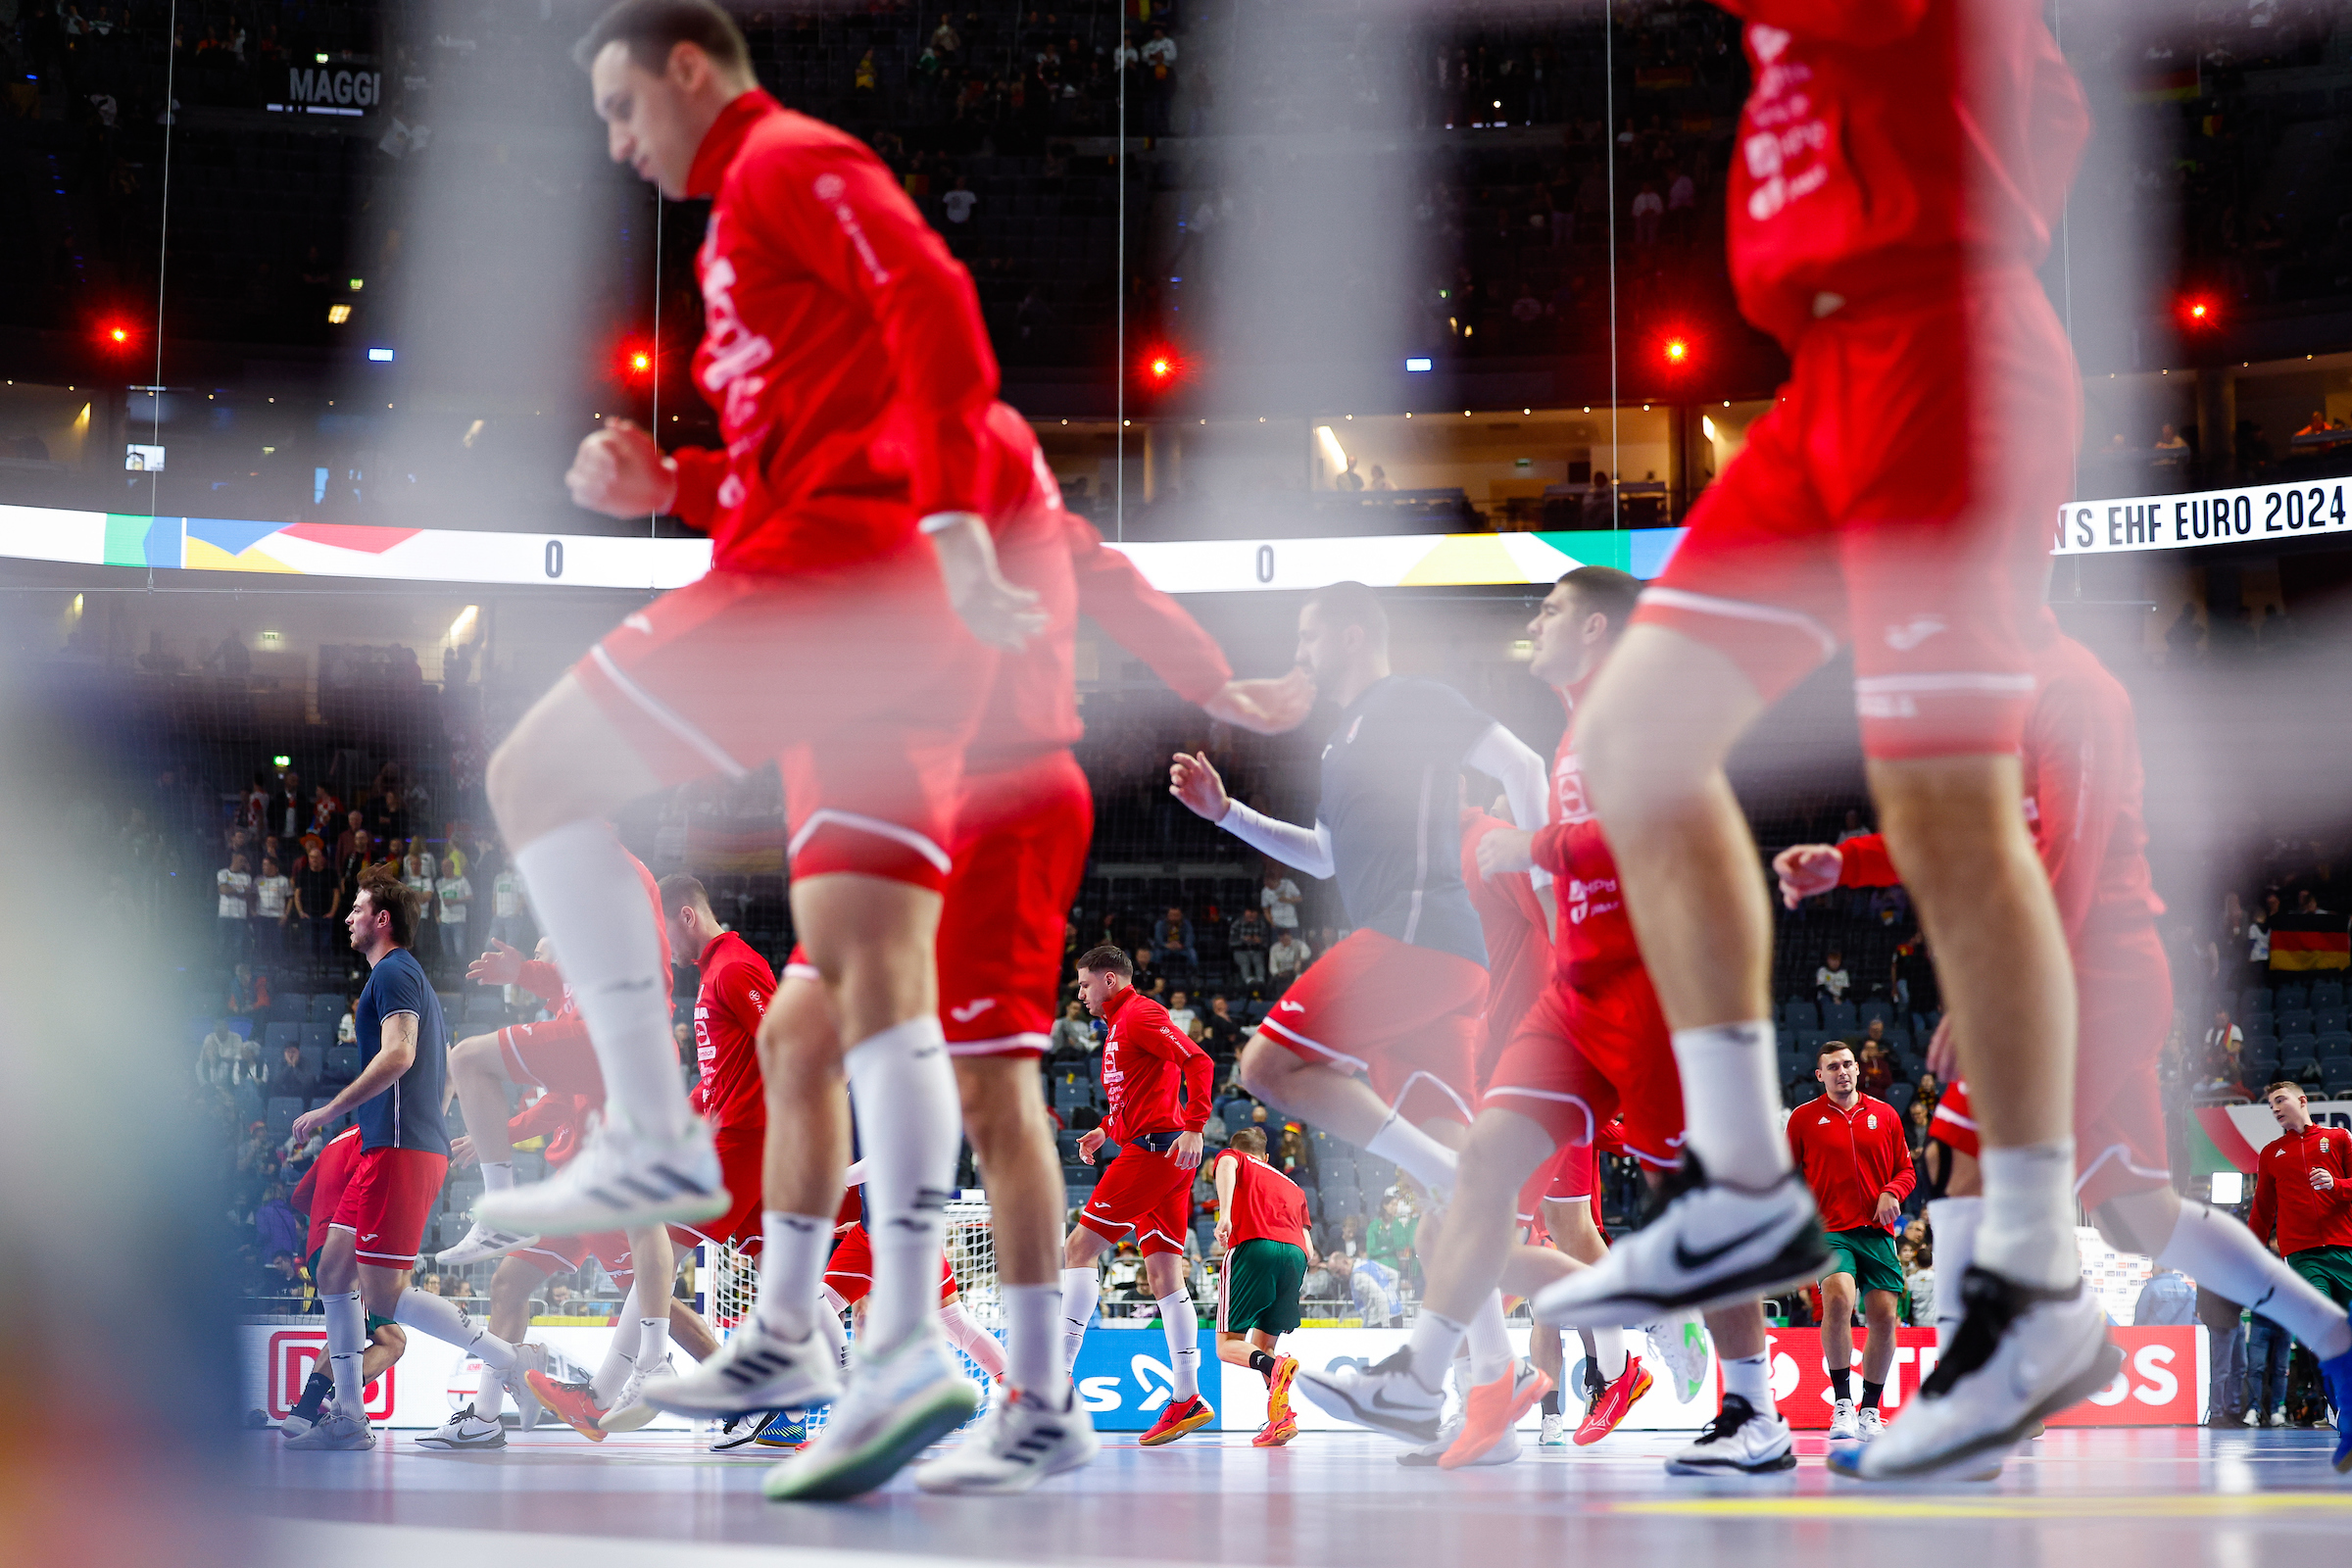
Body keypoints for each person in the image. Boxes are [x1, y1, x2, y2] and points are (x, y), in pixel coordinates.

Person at [473, 0, 1047, 1506]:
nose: (617, 143)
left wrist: (948, 520)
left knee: (533, 776)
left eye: (621, 108)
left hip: (830, 586)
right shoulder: (747, 223)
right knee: (855, 994)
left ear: (687, 69)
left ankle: (650, 1130)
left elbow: (937, 299)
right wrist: (674, 481)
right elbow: (806, 444)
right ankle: (888, 1344)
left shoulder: (784, 163)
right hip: (863, 604)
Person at [1546, 1, 2108, 1484]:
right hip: (1829, 376)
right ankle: (1741, 1185)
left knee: (1947, 812)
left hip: (1949, 349)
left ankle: (2037, 1284)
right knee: (1637, 735)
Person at [640, 403, 1304, 1496]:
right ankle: (849, 1359)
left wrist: (1224, 688)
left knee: (991, 1095)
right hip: (897, 801)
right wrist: (676, 486)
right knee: (799, 1037)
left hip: (1002, 800)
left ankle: (1031, 1398)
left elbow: (1109, 579)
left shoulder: (987, 471)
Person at [1777, 629, 2352, 1476]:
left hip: (2096, 973)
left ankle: (1980, 1399)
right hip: (2068, 978)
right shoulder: (1984, 703)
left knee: (1962, 1152)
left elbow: (2069, 865)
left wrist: (1996, 991)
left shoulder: (2071, 690)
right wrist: (1847, 863)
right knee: (2139, 1214)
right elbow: (1960, 837)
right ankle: (2335, 1338)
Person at [1331, 569, 1729, 1472]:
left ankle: (1563, 1364)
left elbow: (1570, 911)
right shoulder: (1443, 857)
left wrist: (1580, 1021)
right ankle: (1523, 1393)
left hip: (1545, 1051)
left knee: (1464, 1235)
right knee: (1535, 1227)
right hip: (1523, 1060)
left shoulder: (1490, 842)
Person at [1175, 581, 1556, 1459]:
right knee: (1446, 1210)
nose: (1300, 652)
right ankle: (1492, 1390)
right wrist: (1226, 815)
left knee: (1266, 1066)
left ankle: (1465, 1223)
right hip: (1429, 958)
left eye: (1310, 635)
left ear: (1352, 634)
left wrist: (1549, 889)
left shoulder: (1412, 698)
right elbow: (1323, 857)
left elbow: (1525, 768)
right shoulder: (1340, 742)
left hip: (1419, 936)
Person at [283, 866, 517, 1450]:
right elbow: (445, 1068)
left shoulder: (393, 971)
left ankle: (511, 1360)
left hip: (398, 1149)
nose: (348, 918)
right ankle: (348, 1416)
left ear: (381, 919)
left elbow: (400, 1055)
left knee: (384, 1297)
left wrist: (330, 1110)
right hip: (391, 1145)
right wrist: (431, 1122)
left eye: (357, 909)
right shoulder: (406, 978)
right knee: (334, 1273)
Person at [1057, 947, 1217, 1446]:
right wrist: (1104, 1129)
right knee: (1165, 1275)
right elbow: (1138, 1093)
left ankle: (1055, 1382)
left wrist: (1195, 1126)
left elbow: (1199, 1060)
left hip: (1154, 1153)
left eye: (1085, 984)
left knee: (1078, 1248)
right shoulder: (1118, 1025)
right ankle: (1187, 1397)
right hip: (1157, 1151)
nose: (1080, 994)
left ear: (1110, 979)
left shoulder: (1141, 1015)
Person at [1787, 1042, 1913, 1443]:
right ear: (1819, 1075)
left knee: (1885, 1318)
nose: (1841, 1071)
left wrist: (1892, 1191)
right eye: (1832, 1067)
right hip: (1829, 1231)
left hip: (1877, 1233)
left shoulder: (1886, 1115)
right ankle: (1842, 1404)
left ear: (1858, 1069)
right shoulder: (1803, 1118)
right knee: (1838, 1298)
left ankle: (1869, 1411)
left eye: (1847, 1064)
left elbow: (1906, 1170)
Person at [275, 1124, 410, 1438]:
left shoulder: (335, 1142)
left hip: (317, 1248)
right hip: (348, 1246)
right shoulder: (377, 1134)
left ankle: (314, 1407)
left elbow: (299, 1196)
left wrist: (326, 1218)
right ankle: (319, 1406)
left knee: (371, 1335)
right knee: (379, 1338)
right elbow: (372, 1186)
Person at [1212, 1126, 1313, 1447]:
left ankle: (1276, 1366)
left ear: (1238, 1148)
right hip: (1295, 1257)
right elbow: (1310, 1248)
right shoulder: (1294, 1186)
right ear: (1266, 1156)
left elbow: (1226, 1164)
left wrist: (1224, 1216)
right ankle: (1281, 1420)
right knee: (1263, 1346)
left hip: (1255, 1247)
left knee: (1228, 1345)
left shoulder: (1234, 1158)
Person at [435, 857, 472, 966]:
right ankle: (453, 971)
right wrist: (436, 915)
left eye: (446, 866)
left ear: (452, 867)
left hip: (458, 920)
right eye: (442, 866)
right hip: (444, 921)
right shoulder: (439, 883)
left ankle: (463, 971)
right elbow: (436, 900)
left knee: (460, 950)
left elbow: (470, 898)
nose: (444, 869)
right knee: (447, 951)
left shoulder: (462, 881)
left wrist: (455, 901)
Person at [1229, 906, 1270, 986]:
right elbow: (1231, 942)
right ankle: (1248, 981)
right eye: (1249, 914)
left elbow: (1266, 942)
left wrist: (1260, 941)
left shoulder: (1262, 924)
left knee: (1259, 962)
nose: (1251, 916)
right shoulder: (1237, 924)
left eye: (1253, 914)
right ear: (1245, 913)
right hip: (1241, 950)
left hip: (1257, 950)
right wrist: (1243, 940)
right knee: (1244, 962)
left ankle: (1260, 980)